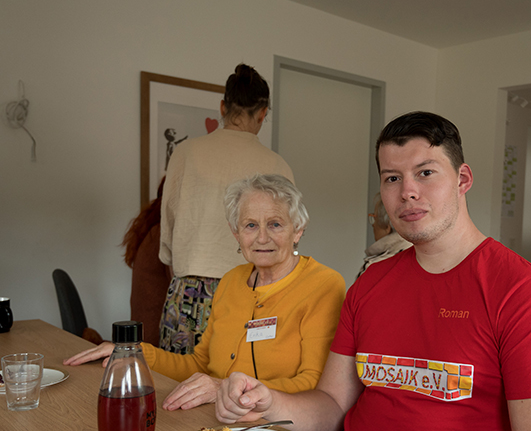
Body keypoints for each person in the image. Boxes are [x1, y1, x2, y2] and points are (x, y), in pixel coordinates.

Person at [214, 112, 531, 431]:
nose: (408, 192)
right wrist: (270, 401)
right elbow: (333, 405)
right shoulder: (371, 285)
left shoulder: (521, 295)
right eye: (392, 178)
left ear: (462, 180)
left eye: (425, 173)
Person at [64, 174, 345, 412]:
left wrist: (223, 389)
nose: (261, 237)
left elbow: (313, 383)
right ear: (235, 233)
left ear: (298, 230)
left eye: (275, 224)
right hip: (216, 421)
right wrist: (132, 353)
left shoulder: (323, 285)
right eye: (250, 225)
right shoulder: (232, 281)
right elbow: (199, 364)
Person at [159, 63, 294, 354]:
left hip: (190, 290)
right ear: (262, 113)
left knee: (178, 385)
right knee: (242, 385)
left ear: (223, 107)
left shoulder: (185, 153)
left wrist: (178, 263)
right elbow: (286, 236)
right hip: (252, 289)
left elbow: (168, 223)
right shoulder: (277, 165)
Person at [122, 177, 171, 347]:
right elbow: (180, 286)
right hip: (153, 342)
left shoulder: (153, 229)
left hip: (142, 334)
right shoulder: (162, 235)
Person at [357, 193, 412, 277]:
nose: (373, 225)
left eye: (374, 218)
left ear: (387, 226)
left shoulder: (375, 268)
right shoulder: (419, 258)